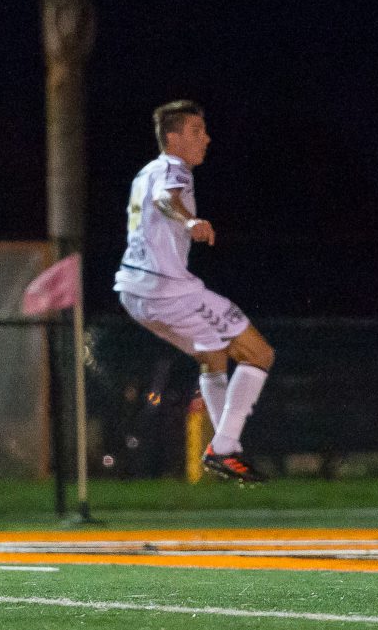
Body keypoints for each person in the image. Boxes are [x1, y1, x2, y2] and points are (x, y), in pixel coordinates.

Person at [114, 100, 275, 484]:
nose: (206, 138)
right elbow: (165, 200)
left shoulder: (145, 172)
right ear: (172, 137)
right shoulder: (174, 168)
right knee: (259, 353)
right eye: (196, 131)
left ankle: (226, 449)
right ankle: (223, 449)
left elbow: (154, 201)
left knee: (214, 352)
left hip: (133, 292)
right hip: (166, 291)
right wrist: (190, 221)